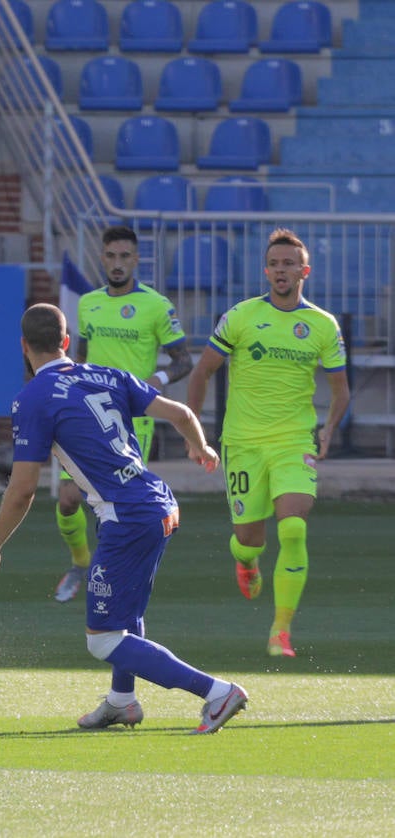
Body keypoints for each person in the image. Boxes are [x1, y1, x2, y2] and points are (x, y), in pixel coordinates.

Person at [0, 303, 248, 734]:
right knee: (125, 614)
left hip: (129, 516)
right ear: (66, 343)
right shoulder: (107, 375)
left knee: (102, 638)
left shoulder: (32, 399)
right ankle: (122, 701)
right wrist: (201, 448)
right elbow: (182, 414)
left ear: (23, 347)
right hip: (157, 502)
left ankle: (216, 692)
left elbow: (22, 488)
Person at [186, 227, 349, 658]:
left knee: (293, 528)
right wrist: (197, 434)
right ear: (266, 270)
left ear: (304, 271)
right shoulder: (239, 317)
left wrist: (328, 429)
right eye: (275, 264)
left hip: (294, 441)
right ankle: (245, 560)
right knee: (250, 539)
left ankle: (281, 630)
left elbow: (341, 390)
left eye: (289, 264)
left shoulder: (321, 325)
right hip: (243, 444)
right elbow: (202, 373)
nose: (281, 271)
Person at [42, 226, 194, 603]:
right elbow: (80, 357)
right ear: (103, 258)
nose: (117, 263)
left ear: (136, 260)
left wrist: (151, 383)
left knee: (118, 501)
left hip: (130, 419)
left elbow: (183, 360)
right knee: (67, 500)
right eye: (111, 256)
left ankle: (115, 574)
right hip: (84, 415)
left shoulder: (156, 306)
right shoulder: (89, 303)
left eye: (125, 256)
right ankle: (80, 563)